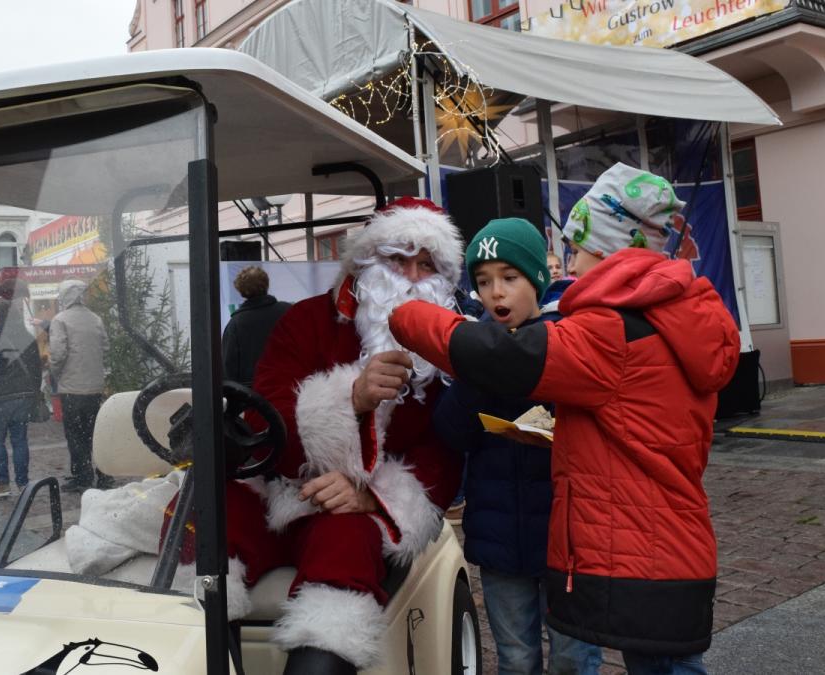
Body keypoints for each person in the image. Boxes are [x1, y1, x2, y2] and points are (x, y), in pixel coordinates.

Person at [389, 163, 740, 675]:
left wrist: (405, 313)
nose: (570, 264)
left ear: (609, 249)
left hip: (640, 548)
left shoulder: (611, 332)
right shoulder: (677, 313)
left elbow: (498, 356)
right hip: (672, 540)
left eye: (577, 249)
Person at [204, 197, 465, 675]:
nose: (409, 275)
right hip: (283, 481)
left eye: (425, 264)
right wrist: (352, 401)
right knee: (212, 518)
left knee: (344, 545)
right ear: (366, 261)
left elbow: (442, 451)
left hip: (354, 506)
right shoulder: (304, 321)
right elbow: (267, 420)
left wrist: (371, 495)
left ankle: (318, 662)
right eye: (396, 258)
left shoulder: (448, 349)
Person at [433, 217, 603, 675]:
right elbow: (451, 432)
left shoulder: (569, 340)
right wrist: (477, 369)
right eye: (484, 282)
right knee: (516, 658)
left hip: (566, 540)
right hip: (499, 540)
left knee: (573, 656)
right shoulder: (475, 345)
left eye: (509, 278)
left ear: (538, 279)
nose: (496, 293)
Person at [48, 279, 110, 493]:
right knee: (95, 433)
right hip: (94, 386)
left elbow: (57, 353)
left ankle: (82, 475)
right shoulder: (95, 319)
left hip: (72, 388)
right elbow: (105, 346)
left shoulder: (60, 320)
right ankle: (105, 475)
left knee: (75, 434)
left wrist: (55, 373)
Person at [0, 298, 41, 498]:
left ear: (0, 314)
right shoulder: (24, 335)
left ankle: (2, 483)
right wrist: (34, 391)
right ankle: (23, 483)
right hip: (21, 395)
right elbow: (35, 365)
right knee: (20, 440)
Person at [222, 266, 291, 388]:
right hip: (290, 389)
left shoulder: (236, 324)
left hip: (254, 398)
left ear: (241, 291)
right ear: (266, 284)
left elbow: (229, 370)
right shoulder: (288, 311)